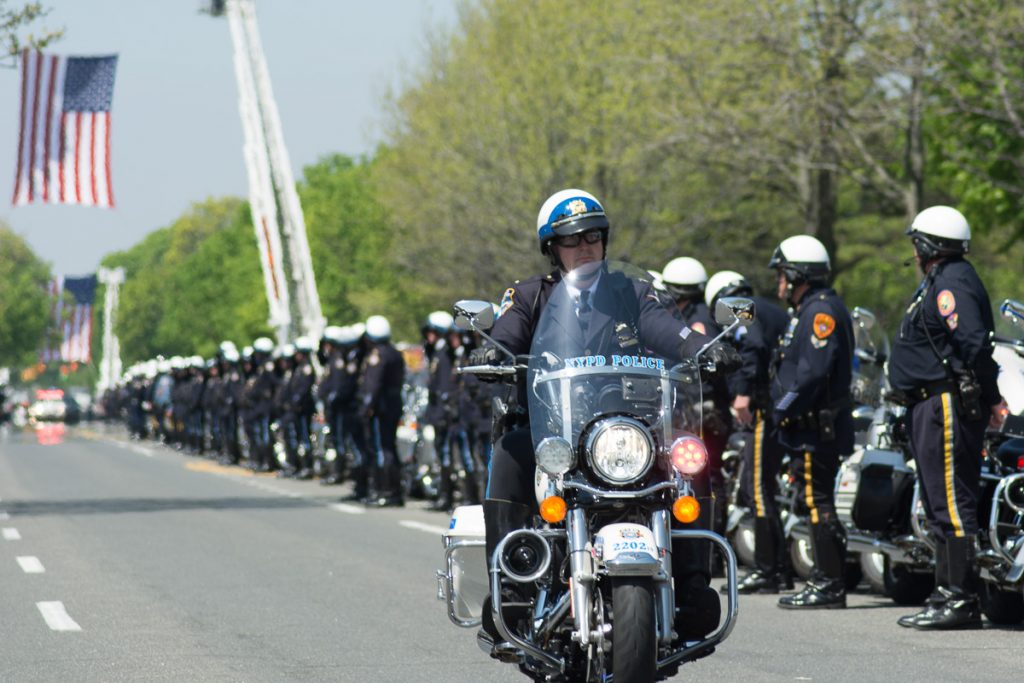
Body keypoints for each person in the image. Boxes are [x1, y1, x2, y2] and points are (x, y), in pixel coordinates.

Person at [476, 188, 740, 643]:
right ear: (551, 248)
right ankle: (513, 584)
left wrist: (702, 348)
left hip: (627, 427)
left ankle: (695, 584)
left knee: (689, 456)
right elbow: (508, 335)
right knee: (509, 452)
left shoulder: (631, 292)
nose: (584, 247)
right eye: (572, 239)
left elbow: (665, 329)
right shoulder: (528, 296)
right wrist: (493, 351)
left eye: (593, 237)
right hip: (556, 427)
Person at [887, 206, 1006, 630]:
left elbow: (973, 344)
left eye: (915, 244)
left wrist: (991, 398)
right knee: (939, 504)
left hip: (946, 403)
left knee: (953, 504)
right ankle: (945, 592)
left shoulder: (952, 282)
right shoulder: (939, 281)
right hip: (928, 404)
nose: (913, 253)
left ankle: (961, 598)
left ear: (926, 245)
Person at [768, 235, 854, 610]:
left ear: (799, 274)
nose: (780, 283)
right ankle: (826, 580)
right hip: (808, 426)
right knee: (813, 502)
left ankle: (829, 584)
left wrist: (781, 409)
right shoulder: (806, 311)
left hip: (816, 428)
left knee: (818, 503)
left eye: (783, 274)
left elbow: (812, 376)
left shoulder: (821, 312)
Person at [705, 270, 791, 593]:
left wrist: (743, 394)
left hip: (766, 407)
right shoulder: (765, 308)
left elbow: (753, 349)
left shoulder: (740, 307)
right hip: (778, 404)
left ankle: (768, 571)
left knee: (756, 488)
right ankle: (779, 568)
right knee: (764, 487)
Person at [662, 256, 730, 565]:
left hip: (698, 410)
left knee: (703, 477)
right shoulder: (694, 314)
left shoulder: (695, 319)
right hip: (693, 407)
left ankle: (707, 551)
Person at [362, 315, 407, 507]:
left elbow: (374, 384)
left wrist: (367, 407)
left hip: (381, 407)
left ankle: (385, 491)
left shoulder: (378, 354)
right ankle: (392, 491)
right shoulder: (395, 352)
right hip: (393, 404)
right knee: (389, 447)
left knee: (382, 449)